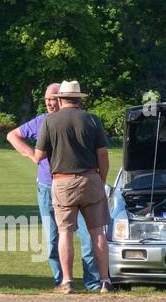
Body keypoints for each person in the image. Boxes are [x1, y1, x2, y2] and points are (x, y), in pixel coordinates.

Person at [6, 84, 100, 291]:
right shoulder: (42, 121)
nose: (49, 103)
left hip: (75, 184)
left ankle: (92, 283)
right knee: (53, 238)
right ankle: (62, 281)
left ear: (62, 98)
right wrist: (31, 155)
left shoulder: (79, 119)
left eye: (53, 98)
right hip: (48, 187)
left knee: (87, 237)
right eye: (46, 99)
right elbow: (12, 135)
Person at [30, 80, 114, 294]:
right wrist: (101, 180)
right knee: (97, 232)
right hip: (91, 179)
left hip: (62, 181)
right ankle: (104, 281)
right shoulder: (92, 120)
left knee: (65, 233)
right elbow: (103, 155)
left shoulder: (50, 121)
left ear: (60, 99)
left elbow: (39, 156)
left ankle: (67, 282)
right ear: (79, 99)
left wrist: (31, 153)